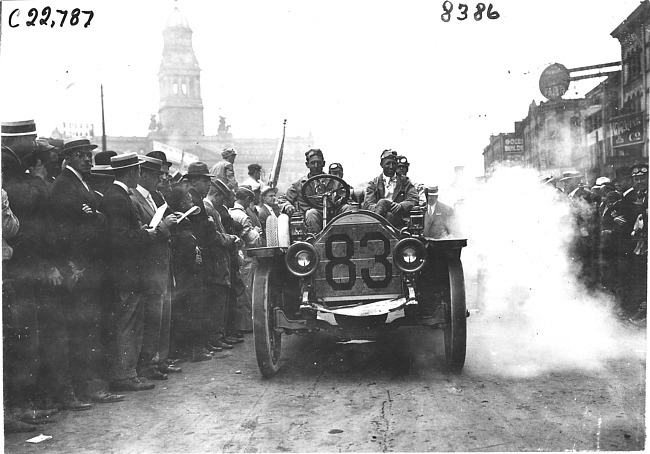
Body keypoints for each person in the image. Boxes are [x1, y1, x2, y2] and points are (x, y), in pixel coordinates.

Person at [50, 138, 125, 405]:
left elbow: (97, 219)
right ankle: (87, 388)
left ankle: (92, 386)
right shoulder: (64, 186)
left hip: (91, 267)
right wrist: (94, 216)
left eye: (88, 154)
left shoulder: (80, 183)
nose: (86, 159)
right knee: (84, 330)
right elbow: (72, 229)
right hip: (80, 268)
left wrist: (93, 215)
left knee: (92, 328)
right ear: (67, 158)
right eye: (80, 155)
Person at [101, 153, 176, 392]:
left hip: (129, 272)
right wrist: (146, 234)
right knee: (127, 324)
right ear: (132, 172)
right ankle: (124, 375)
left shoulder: (119, 195)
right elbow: (119, 238)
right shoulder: (118, 197)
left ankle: (129, 372)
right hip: (126, 272)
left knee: (131, 323)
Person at [129, 156, 179, 379]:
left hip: (161, 264)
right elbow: (145, 230)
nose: (162, 180)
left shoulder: (152, 197)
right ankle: (148, 364)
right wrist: (165, 227)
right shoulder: (135, 198)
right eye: (158, 176)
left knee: (161, 315)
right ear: (146, 175)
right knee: (152, 316)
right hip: (150, 266)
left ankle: (158, 360)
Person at [184, 161, 221, 361]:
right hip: (196, 255)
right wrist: (208, 224)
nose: (208, 184)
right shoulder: (193, 198)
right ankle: (196, 349)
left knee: (201, 302)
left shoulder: (196, 197)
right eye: (205, 180)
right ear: (195, 180)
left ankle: (201, 345)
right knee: (196, 303)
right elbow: (201, 228)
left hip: (200, 253)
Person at [203, 178, 241, 350]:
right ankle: (215, 337)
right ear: (216, 195)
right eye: (221, 198)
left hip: (219, 262)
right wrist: (231, 239)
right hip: (215, 262)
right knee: (216, 302)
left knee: (220, 301)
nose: (222, 202)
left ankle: (219, 335)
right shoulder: (208, 208)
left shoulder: (211, 208)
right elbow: (215, 236)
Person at [278, 148, 352, 233]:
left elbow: (347, 198)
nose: (316, 166)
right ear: (307, 165)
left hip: (334, 214)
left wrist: (340, 201)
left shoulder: (335, 181)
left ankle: (347, 237)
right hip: (312, 217)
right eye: (313, 163)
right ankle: (315, 241)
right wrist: (287, 206)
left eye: (319, 163)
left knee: (348, 208)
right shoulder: (299, 184)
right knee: (311, 213)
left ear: (323, 163)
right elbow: (282, 199)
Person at [363, 149, 419, 226]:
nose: (391, 167)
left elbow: (414, 198)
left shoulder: (405, 181)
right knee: (386, 211)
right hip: (383, 216)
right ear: (381, 165)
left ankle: (374, 227)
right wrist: (382, 208)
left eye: (394, 163)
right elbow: (368, 205)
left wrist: (401, 206)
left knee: (383, 203)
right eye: (388, 164)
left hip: (399, 218)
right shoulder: (373, 184)